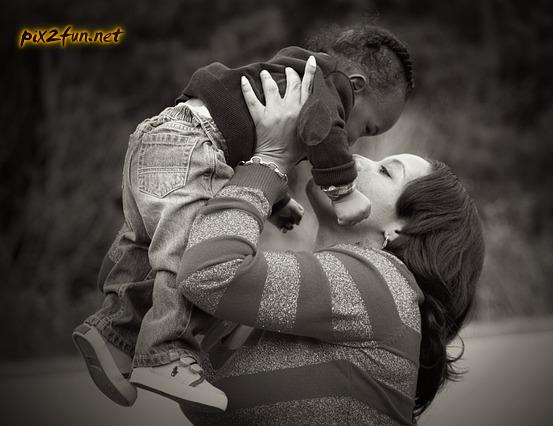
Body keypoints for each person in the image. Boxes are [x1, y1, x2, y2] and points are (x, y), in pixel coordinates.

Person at [71, 25, 415, 410]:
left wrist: (278, 202)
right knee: (185, 250)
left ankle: (113, 333)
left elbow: (250, 141)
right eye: (366, 128)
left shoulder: (297, 74)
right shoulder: (327, 87)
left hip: (163, 136)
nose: (353, 143)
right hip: (194, 145)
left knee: (144, 245)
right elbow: (320, 132)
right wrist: (343, 189)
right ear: (356, 85)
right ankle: (164, 351)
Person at [175, 63, 485, 424]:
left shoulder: (383, 286)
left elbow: (209, 272)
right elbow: (191, 273)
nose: (357, 159)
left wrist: (270, 160)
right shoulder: (295, 295)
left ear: (401, 230)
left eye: (385, 171)